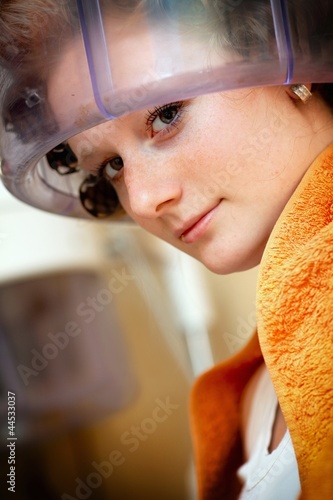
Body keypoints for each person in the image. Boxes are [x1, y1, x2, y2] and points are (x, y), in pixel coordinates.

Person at [1, 1, 333, 498]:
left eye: (167, 114)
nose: (143, 200)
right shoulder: (257, 395)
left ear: (290, 51)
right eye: (111, 166)